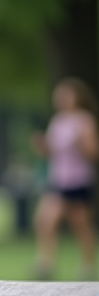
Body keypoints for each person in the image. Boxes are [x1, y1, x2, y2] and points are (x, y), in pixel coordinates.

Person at [33, 77, 99, 280]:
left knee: (81, 226)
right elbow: (53, 153)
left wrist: (81, 144)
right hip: (59, 179)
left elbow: (93, 152)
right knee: (45, 220)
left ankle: (87, 266)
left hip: (78, 180)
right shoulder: (58, 121)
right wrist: (42, 146)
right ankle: (46, 263)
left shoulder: (84, 120)